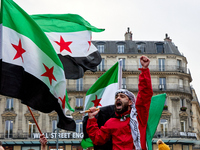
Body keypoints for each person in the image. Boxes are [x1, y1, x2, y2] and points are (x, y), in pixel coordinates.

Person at [86, 55, 153, 150]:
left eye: (122, 96)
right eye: (116, 97)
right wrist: (92, 119)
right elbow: (98, 139)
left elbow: (145, 93)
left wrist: (145, 69)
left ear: (130, 102)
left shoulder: (139, 117)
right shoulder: (110, 122)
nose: (118, 98)